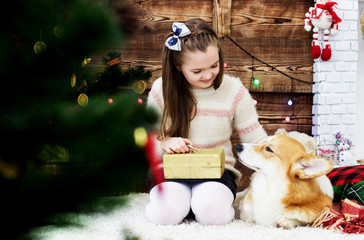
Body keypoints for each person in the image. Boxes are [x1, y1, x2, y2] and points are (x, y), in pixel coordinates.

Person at [145, 18, 267, 225]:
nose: (208, 75)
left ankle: (198, 205)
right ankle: (184, 205)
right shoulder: (161, 89)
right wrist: (165, 142)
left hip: (217, 172)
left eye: (214, 65)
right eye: (197, 71)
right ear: (177, 66)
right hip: (172, 171)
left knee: (213, 214)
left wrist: (285, 152)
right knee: (164, 214)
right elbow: (146, 141)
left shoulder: (233, 89)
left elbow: (256, 139)